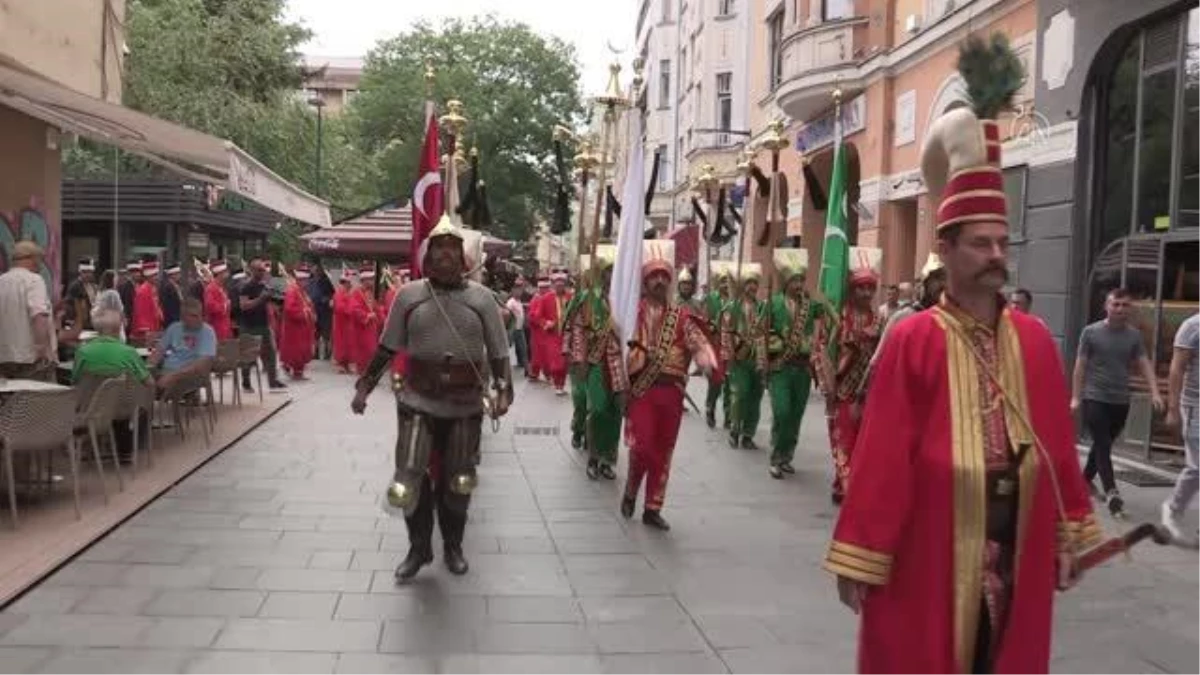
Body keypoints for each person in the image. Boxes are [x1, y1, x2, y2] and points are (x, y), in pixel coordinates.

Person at [826, 57, 1100, 675]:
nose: (996, 255)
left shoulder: (1032, 339)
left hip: (1017, 545)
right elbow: (883, 453)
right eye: (981, 243)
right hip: (933, 544)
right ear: (944, 250)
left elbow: (1056, 447)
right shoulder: (913, 338)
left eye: (1002, 242)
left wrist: (1069, 533)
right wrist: (861, 554)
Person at [351, 214, 512, 581]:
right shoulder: (409, 296)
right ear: (427, 256)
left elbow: (500, 352)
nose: (444, 256)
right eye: (437, 249)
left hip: (464, 403)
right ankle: (419, 548)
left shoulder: (482, 299)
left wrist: (503, 390)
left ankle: (453, 545)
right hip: (418, 398)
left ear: (463, 257)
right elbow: (387, 346)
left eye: (451, 250)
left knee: (459, 479)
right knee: (407, 478)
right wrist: (365, 385)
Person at [621, 240, 716, 531]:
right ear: (645, 281)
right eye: (654, 276)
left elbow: (697, 341)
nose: (660, 281)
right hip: (643, 392)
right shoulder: (632, 312)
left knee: (664, 450)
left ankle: (653, 507)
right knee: (643, 447)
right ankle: (632, 486)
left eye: (664, 276)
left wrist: (706, 360)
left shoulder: (681, 316)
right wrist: (642, 355)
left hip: (672, 394)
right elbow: (622, 347)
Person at [1071, 288, 1162, 517]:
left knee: (1103, 445)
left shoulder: (1133, 336)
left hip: (1120, 400)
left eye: (1125, 305)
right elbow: (1080, 366)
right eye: (1116, 304)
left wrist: (1155, 392)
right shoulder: (1090, 333)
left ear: (1129, 309)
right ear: (1107, 306)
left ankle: (1081, 483)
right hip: (1095, 397)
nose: (1120, 309)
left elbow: (1144, 363)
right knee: (1101, 442)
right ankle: (1112, 491)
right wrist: (1075, 396)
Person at [814, 247, 884, 505]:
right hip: (842, 389)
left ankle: (841, 483)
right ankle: (848, 485)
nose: (866, 293)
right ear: (852, 289)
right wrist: (828, 382)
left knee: (861, 442)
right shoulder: (839, 316)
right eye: (861, 288)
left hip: (867, 393)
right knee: (843, 438)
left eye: (870, 288)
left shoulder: (878, 319)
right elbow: (821, 349)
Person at [765, 249, 828, 479]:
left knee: (795, 415)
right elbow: (762, 332)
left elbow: (824, 319)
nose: (799, 284)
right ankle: (775, 456)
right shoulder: (773, 303)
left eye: (802, 279)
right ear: (786, 281)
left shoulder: (810, 306)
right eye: (795, 280)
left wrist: (814, 343)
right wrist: (768, 355)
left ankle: (786, 456)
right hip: (780, 367)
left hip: (802, 369)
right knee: (781, 412)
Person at [567, 247, 622, 480]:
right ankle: (593, 455)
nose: (611, 275)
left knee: (615, 412)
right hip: (596, 362)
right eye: (608, 271)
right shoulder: (587, 299)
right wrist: (578, 358)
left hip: (620, 364)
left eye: (614, 271)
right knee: (597, 409)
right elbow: (577, 331)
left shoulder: (625, 299)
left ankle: (608, 460)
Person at [720, 263, 767, 449]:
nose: (752, 287)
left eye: (755, 283)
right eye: (748, 283)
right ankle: (734, 429)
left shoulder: (762, 308)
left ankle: (748, 434)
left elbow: (765, 334)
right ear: (742, 285)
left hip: (757, 359)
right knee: (740, 395)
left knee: (755, 397)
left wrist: (764, 362)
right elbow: (725, 333)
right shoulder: (732, 308)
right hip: (738, 360)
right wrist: (729, 357)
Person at [1163, 311, 1200, 545]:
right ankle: (1172, 508)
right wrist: (1173, 408)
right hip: (1196, 405)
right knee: (1198, 467)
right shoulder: (1192, 326)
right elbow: (1176, 369)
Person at [0, 241, 57, 381]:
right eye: (39, 259)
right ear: (31, 258)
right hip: (30, 359)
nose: (40, 264)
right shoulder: (34, 281)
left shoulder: (1, 281)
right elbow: (39, 316)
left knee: (11, 402)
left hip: (3, 358)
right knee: (38, 401)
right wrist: (41, 348)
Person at [237, 255, 287, 393]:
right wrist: (261, 299)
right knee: (247, 356)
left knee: (271, 353)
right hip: (248, 325)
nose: (263, 271)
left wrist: (279, 297)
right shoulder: (245, 286)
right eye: (260, 269)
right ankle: (246, 382)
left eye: (264, 269)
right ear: (253, 270)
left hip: (263, 324)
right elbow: (243, 305)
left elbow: (274, 301)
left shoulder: (264, 285)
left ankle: (273, 381)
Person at [149, 298, 217, 392]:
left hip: (189, 375)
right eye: (193, 316)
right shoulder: (174, 328)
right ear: (183, 317)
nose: (199, 319)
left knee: (152, 390)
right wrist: (147, 369)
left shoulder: (207, 331)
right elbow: (158, 352)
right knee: (137, 384)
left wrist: (173, 376)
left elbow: (202, 364)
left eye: (200, 315)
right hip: (167, 372)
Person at [704, 264, 735, 428]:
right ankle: (710, 408)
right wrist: (711, 325)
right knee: (715, 383)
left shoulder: (734, 300)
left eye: (727, 282)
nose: (725, 285)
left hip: (730, 347)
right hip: (715, 346)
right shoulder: (711, 299)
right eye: (722, 282)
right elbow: (704, 322)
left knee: (730, 384)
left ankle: (729, 416)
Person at [530, 271, 570, 395]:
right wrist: (546, 323)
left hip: (567, 334)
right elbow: (537, 316)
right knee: (556, 362)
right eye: (557, 285)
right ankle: (556, 383)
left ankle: (561, 385)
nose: (559, 287)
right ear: (554, 286)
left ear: (564, 285)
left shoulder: (570, 297)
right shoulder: (546, 298)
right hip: (552, 335)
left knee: (564, 363)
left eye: (562, 285)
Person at [280, 262, 317, 380]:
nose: (307, 282)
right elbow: (289, 309)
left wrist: (311, 313)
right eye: (305, 280)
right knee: (296, 350)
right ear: (300, 279)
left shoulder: (302, 291)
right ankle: (291, 367)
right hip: (295, 328)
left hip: (303, 327)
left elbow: (308, 305)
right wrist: (304, 312)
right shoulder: (292, 291)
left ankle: (298, 371)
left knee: (302, 350)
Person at [349, 264, 380, 375]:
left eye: (372, 279)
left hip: (371, 328)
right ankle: (363, 373)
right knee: (364, 351)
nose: (372, 282)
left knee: (372, 351)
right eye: (370, 279)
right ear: (364, 280)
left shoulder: (369, 293)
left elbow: (376, 308)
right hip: (361, 329)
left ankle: (367, 372)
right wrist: (367, 316)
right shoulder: (356, 293)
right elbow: (354, 309)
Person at [131, 259, 164, 345]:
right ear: (148, 276)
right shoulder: (143, 291)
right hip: (146, 332)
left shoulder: (153, 288)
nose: (156, 277)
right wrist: (146, 330)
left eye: (156, 275)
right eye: (154, 275)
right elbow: (140, 312)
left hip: (153, 328)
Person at [309, 263, 336, 360]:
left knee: (326, 334)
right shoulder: (310, 282)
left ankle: (326, 354)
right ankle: (315, 353)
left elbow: (332, 294)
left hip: (324, 311)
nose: (316, 272)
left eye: (318, 270)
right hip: (313, 309)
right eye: (314, 270)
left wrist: (327, 299)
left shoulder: (326, 282)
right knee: (315, 333)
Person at [527, 276, 551, 382]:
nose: (545, 290)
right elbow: (532, 316)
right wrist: (543, 323)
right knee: (537, 354)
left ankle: (548, 373)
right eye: (543, 288)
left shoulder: (549, 298)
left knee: (547, 354)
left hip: (548, 332)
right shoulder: (535, 299)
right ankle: (535, 372)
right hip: (538, 332)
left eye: (547, 287)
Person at [92, 270, 127, 343]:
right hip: (114, 324)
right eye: (115, 278)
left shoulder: (100, 292)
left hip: (103, 326)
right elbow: (120, 310)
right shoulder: (113, 293)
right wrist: (124, 321)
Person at [203, 259, 234, 341]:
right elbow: (210, 306)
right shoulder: (211, 288)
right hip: (216, 327)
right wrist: (225, 305)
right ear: (220, 273)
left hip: (225, 326)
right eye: (225, 272)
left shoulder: (221, 288)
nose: (227, 274)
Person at [65, 257, 98, 331]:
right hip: (80, 322)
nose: (88, 275)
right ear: (80, 272)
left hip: (92, 322)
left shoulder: (93, 286)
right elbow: (69, 304)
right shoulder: (75, 286)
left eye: (90, 272)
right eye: (85, 272)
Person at [332, 270, 355, 374]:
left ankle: (346, 364)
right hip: (341, 323)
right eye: (349, 282)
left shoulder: (348, 293)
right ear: (346, 282)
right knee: (341, 343)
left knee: (348, 343)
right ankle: (341, 364)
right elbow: (339, 308)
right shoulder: (339, 293)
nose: (351, 284)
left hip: (348, 323)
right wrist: (350, 309)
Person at [505, 277, 529, 372]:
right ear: (513, 291)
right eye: (517, 291)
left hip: (520, 329)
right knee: (508, 347)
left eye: (521, 291)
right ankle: (504, 367)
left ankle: (526, 367)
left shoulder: (519, 301)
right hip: (513, 329)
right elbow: (506, 314)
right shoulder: (510, 302)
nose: (520, 293)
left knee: (523, 348)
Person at [117, 260, 141, 331]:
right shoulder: (125, 286)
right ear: (130, 273)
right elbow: (127, 305)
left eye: (138, 272)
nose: (138, 274)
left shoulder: (139, 285)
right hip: (129, 320)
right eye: (135, 272)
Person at [159, 262, 184, 327]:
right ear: (173, 275)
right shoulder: (168, 288)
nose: (180, 275)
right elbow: (168, 306)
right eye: (178, 273)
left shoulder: (176, 286)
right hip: (171, 319)